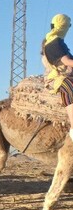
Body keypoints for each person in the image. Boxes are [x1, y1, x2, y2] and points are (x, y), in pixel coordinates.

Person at [42, 13, 73, 141]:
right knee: (70, 86)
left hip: (66, 73)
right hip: (59, 77)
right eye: (67, 25)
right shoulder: (53, 43)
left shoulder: (59, 42)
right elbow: (67, 61)